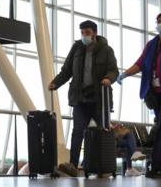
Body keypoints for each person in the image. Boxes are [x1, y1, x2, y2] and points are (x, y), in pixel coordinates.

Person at [118, 12, 161, 178]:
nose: (159, 24)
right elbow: (141, 63)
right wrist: (125, 74)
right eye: (158, 21)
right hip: (156, 93)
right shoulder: (152, 44)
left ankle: (157, 167)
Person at [49, 20, 118, 177]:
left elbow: (114, 70)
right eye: (82, 32)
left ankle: (103, 166)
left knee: (102, 132)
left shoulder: (106, 50)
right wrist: (55, 83)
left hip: (99, 99)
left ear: (94, 32)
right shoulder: (76, 49)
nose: (84, 35)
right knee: (77, 131)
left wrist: (108, 78)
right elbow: (67, 71)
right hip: (80, 98)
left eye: (87, 32)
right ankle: (73, 164)